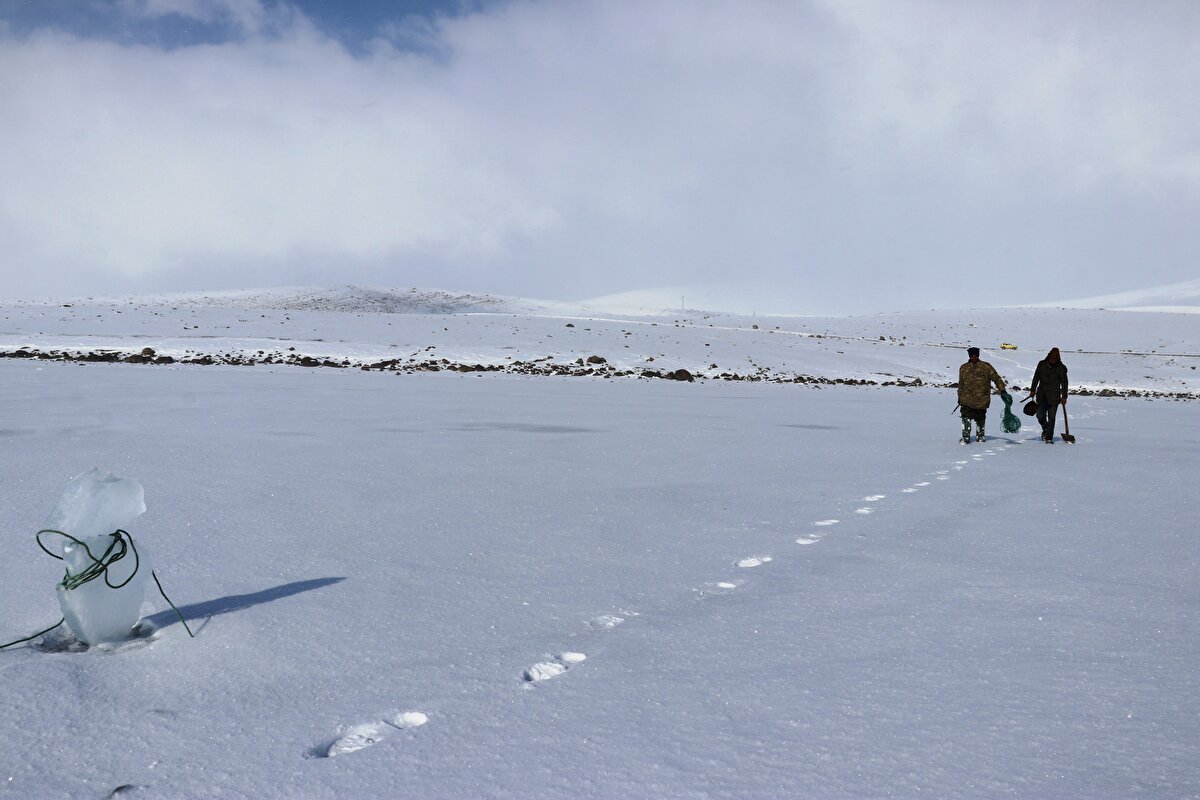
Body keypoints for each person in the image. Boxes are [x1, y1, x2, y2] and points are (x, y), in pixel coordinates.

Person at [957, 347, 1007, 444]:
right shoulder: (963, 367)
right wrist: (960, 397)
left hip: (982, 399)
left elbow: (996, 378)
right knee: (965, 417)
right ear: (969, 356)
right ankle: (965, 438)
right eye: (972, 355)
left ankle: (980, 437)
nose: (974, 357)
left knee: (980, 418)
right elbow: (961, 384)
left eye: (975, 355)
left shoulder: (986, 367)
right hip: (966, 399)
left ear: (978, 355)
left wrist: (1002, 390)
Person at [1028, 347, 1069, 443]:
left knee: (1052, 418)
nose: (1053, 360)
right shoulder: (1041, 364)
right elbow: (1036, 378)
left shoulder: (1061, 368)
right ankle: (1045, 429)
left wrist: (1064, 397)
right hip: (1042, 395)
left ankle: (1049, 437)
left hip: (1054, 397)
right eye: (1051, 358)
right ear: (1049, 356)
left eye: (1055, 359)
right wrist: (1033, 390)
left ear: (1058, 358)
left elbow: (1064, 383)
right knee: (1039, 415)